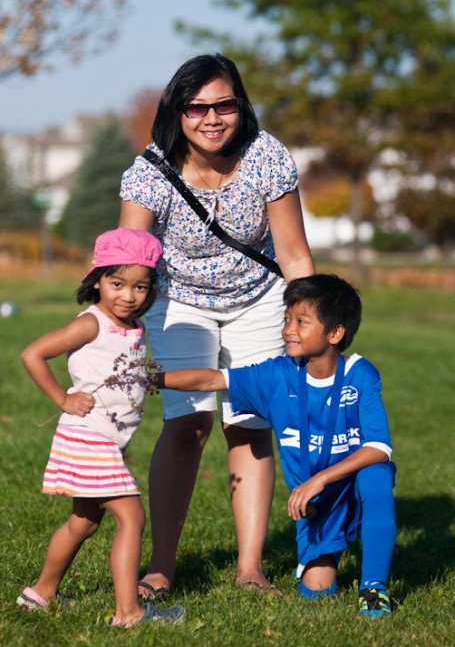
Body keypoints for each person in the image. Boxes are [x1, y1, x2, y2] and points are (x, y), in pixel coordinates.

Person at [118, 53, 316, 598]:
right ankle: (161, 565)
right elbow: (129, 261)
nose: (211, 117)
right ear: (177, 112)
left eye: (223, 104)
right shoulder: (149, 173)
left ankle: (251, 568)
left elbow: (295, 254)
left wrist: (309, 320)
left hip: (259, 297)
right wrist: (113, 327)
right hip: (178, 300)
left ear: (240, 105)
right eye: (196, 106)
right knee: (189, 424)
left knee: (250, 423)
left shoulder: (266, 157)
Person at [148, 274, 397, 618]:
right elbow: (211, 379)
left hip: (344, 483)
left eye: (301, 321)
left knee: (377, 478)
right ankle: (325, 556)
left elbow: (379, 447)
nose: (288, 330)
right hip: (317, 504)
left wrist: (320, 478)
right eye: (286, 319)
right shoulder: (278, 375)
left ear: (335, 333)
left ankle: (374, 588)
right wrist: (148, 379)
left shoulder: (360, 373)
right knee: (317, 592)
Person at [16, 228, 185, 628]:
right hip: (88, 436)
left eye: (140, 287)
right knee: (131, 518)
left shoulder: (135, 326)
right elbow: (33, 353)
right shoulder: (92, 323)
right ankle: (129, 613)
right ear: (97, 280)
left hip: (105, 440)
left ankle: (39, 594)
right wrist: (63, 399)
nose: (128, 295)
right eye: (117, 283)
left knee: (84, 522)